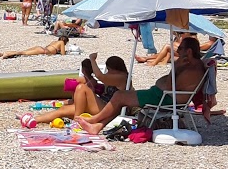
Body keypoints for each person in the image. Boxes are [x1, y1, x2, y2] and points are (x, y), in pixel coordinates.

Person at [76, 36, 205, 133]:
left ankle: (94, 120)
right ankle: (97, 126)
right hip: (161, 95)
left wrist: (175, 68)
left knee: (119, 96)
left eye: (180, 48)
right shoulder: (193, 65)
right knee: (120, 97)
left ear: (188, 51)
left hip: (165, 99)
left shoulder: (192, 70)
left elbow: (171, 88)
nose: (177, 50)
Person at [39, 54, 130, 119]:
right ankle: (33, 120)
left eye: (109, 69)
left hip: (110, 109)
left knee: (81, 88)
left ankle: (77, 119)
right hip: (103, 105)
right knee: (63, 110)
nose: (108, 72)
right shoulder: (115, 77)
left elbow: (100, 76)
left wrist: (92, 60)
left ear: (116, 69)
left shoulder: (122, 77)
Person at [0, 36, 69, 59]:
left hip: (40, 48)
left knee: (22, 51)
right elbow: (63, 54)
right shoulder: (62, 43)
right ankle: (6, 53)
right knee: (22, 53)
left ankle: (2, 53)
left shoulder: (54, 42)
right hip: (43, 51)